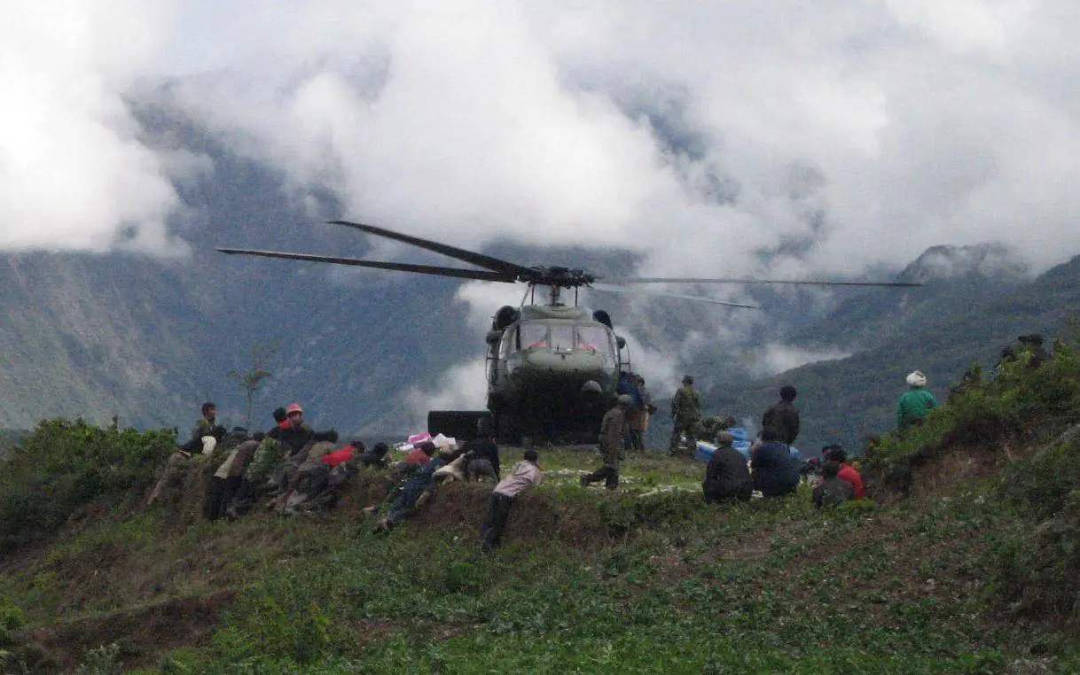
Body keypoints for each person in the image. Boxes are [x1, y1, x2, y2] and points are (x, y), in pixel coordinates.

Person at [482, 449, 543, 552]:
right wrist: (539, 469)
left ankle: (492, 545)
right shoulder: (535, 471)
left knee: (491, 519)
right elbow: (537, 486)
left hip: (497, 490)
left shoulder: (518, 465)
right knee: (499, 522)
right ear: (536, 459)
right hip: (506, 495)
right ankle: (488, 548)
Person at [581, 395, 631, 489]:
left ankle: (611, 486)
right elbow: (614, 433)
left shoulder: (611, 412)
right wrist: (614, 447)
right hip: (611, 442)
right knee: (611, 467)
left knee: (614, 467)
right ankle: (588, 478)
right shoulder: (618, 415)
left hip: (606, 441)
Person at [267, 403, 338, 456]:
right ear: (288, 417)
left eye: (296, 415)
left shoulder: (305, 430)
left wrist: (328, 435)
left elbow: (314, 436)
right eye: (292, 415)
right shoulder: (280, 432)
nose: (295, 418)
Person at [702, 431, 752, 504]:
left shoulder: (718, 454)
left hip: (730, 489)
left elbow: (711, 474)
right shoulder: (739, 454)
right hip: (746, 489)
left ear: (718, 441)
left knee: (707, 483)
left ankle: (713, 504)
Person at [750, 428, 801, 497]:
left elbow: (753, 465)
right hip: (793, 481)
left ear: (762, 438)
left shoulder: (762, 449)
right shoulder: (784, 447)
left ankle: (763, 493)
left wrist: (754, 449)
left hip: (776, 483)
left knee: (756, 472)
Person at [669, 375, 702, 456]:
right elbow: (698, 405)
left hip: (683, 417)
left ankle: (674, 451)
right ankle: (691, 453)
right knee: (691, 436)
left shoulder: (681, 391)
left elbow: (675, 403)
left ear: (685, 382)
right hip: (694, 417)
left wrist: (673, 414)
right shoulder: (696, 393)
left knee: (677, 434)